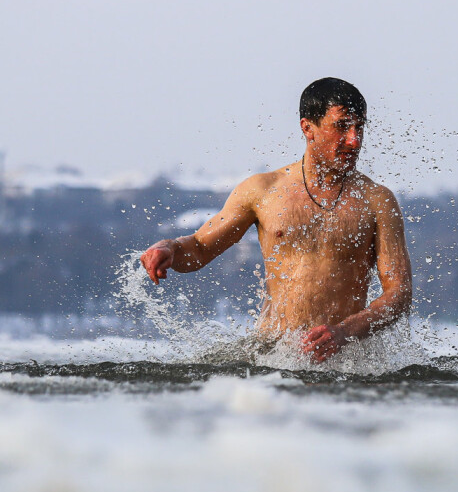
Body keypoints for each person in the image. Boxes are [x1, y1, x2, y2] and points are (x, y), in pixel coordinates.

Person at [140, 78, 412, 362]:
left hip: (344, 362)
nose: (354, 140)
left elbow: (399, 294)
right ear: (308, 128)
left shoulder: (376, 200)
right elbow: (199, 248)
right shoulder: (263, 191)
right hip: (272, 357)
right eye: (342, 126)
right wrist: (169, 248)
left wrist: (344, 332)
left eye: (360, 128)